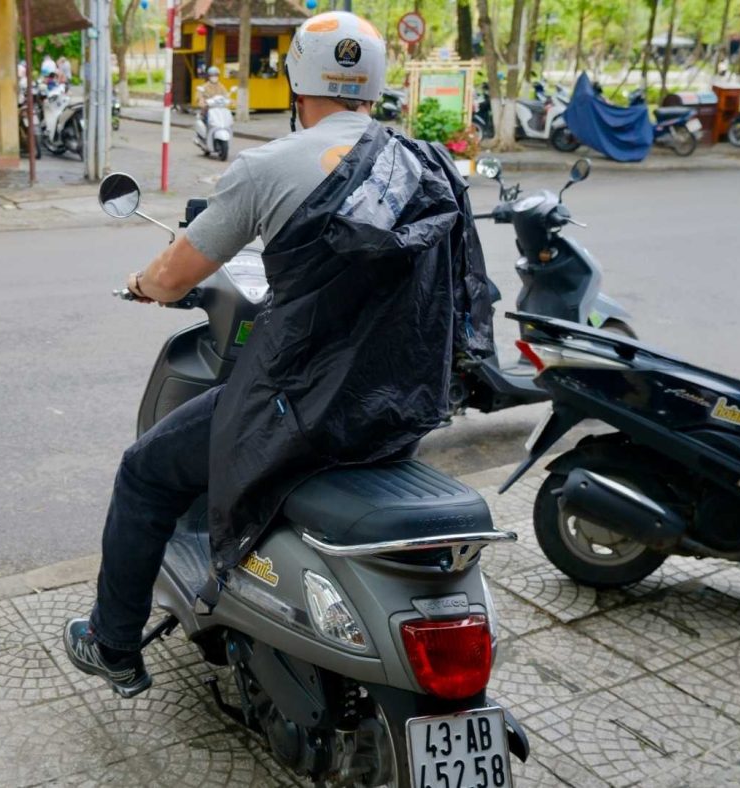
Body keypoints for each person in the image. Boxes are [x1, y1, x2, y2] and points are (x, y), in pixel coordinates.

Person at [62, 11, 493, 697]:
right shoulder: (425, 164)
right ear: (375, 83)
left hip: (296, 413)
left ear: (297, 80)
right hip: (398, 412)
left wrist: (143, 284)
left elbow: (175, 275)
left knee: (145, 472)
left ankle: (113, 643)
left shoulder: (269, 167)